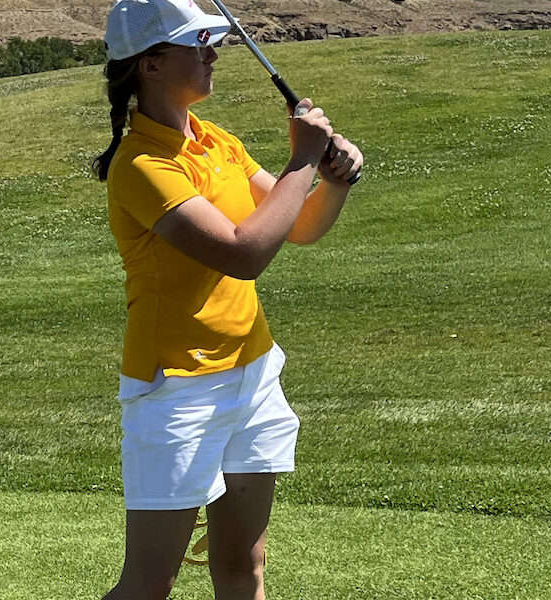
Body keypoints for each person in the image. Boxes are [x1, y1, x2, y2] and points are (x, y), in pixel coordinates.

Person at [91, 0, 363, 598]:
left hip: (254, 373)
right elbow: (243, 254)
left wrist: (332, 182)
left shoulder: (217, 142)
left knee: (244, 568)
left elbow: (296, 226)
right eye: (198, 44)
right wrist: (303, 158)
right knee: (147, 585)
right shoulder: (140, 164)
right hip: (177, 388)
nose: (213, 53)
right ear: (150, 65)